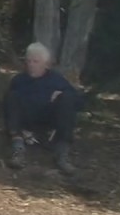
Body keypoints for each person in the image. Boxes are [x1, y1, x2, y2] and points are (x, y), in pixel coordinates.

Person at [5, 42, 82, 174]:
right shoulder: (19, 80)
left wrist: (62, 94)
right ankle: (18, 150)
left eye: (36, 61)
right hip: (27, 122)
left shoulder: (56, 80)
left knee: (67, 98)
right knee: (12, 97)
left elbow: (79, 102)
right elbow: (8, 107)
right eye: (29, 61)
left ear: (45, 64)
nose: (31, 65)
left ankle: (62, 154)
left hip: (49, 121)